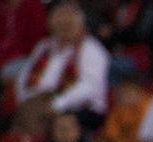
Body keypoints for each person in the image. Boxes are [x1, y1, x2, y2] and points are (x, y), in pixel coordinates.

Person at [8, 0, 109, 134]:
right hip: (39, 102)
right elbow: (23, 78)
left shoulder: (91, 49)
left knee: (52, 121)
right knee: (12, 123)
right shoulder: (44, 47)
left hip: (79, 108)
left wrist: (58, 103)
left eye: (68, 25)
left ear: (80, 26)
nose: (63, 29)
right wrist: (26, 100)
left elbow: (90, 87)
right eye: (59, 25)